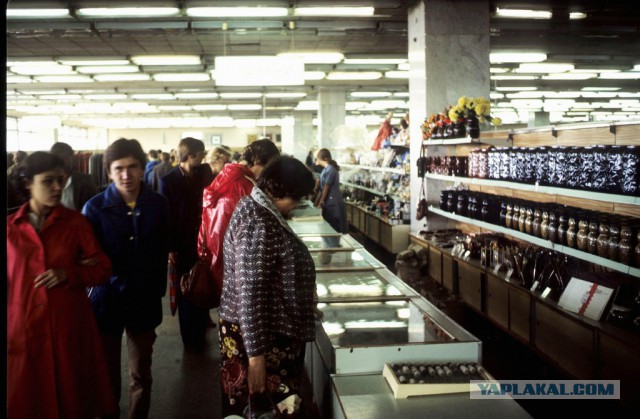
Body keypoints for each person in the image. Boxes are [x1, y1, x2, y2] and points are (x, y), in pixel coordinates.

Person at [7, 151, 117, 418]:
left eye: (60, 180)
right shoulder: (11, 230)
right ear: (28, 183)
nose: (57, 187)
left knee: (71, 399)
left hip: (68, 327)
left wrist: (70, 273)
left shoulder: (75, 224)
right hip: (24, 330)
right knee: (29, 401)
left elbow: (102, 268)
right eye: (48, 181)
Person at [219, 156, 317, 417]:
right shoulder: (258, 222)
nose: (295, 206)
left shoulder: (257, 210)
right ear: (283, 191)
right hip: (264, 342)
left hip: (265, 336)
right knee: (264, 409)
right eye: (296, 199)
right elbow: (251, 294)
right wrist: (256, 359)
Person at [83, 138, 170, 419]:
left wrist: (156, 286)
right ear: (108, 171)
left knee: (141, 373)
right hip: (106, 301)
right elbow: (87, 259)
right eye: (118, 168)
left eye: (132, 167)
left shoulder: (157, 204)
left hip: (143, 301)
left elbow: (162, 247)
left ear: (142, 168)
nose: (126, 175)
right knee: (106, 375)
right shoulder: (94, 209)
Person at [199, 138, 279, 299]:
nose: (268, 172)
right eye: (268, 166)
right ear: (256, 160)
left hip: (217, 258)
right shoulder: (245, 185)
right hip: (238, 268)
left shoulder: (225, 177)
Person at [159, 137, 214, 351]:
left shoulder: (204, 172)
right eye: (200, 154)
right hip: (181, 244)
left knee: (202, 285)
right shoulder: (168, 181)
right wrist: (170, 248)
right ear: (190, 155)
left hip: (204, 241)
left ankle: (200, 330)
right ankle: (189, 338)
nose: (203, 157)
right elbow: (167, 217)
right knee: (185, 290)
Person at [50, 141, 98, 210]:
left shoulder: (86, 180)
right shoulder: (48, 182)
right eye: (62, 159)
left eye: (69, 158)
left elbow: (95, 206)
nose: (67, 162)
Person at [314, 148, 348, 241]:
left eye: (317, 158)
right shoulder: (325, 170)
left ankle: (337, 248)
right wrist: (316, 203)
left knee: (336, 228)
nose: (317, 160)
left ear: (323, 159)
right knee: (329, 227)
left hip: (334, 203)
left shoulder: (330, 170)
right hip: (328, 203)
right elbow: (321, 189)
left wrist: (320, 202)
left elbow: (326, 188)